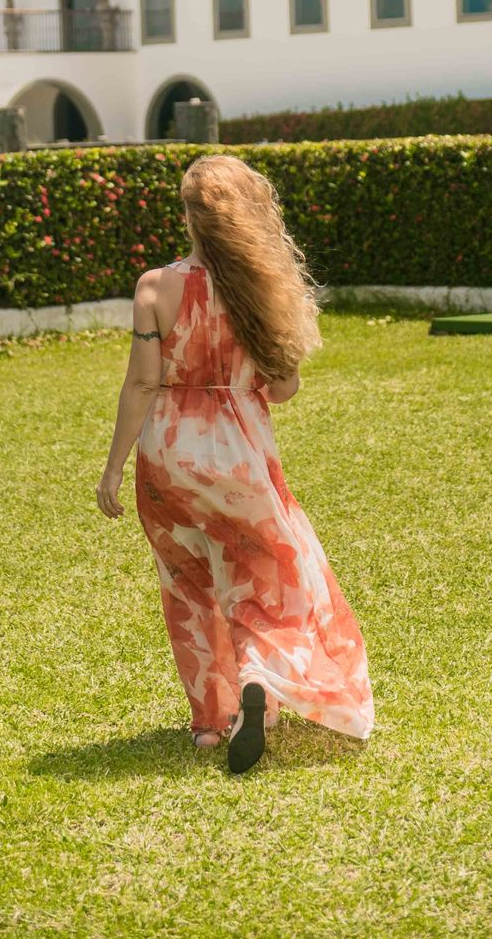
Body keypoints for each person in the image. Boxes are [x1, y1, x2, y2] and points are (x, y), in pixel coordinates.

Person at [95, 153, 374, 774]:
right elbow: (284, 389)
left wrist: (113, 468)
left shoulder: (154, 287)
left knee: (188, 583)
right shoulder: (259, 286)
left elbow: (141, 382)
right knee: (261, 577)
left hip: (169, 453)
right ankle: (257, 678)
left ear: (189, 217)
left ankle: (208, 722)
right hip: (242, 452)